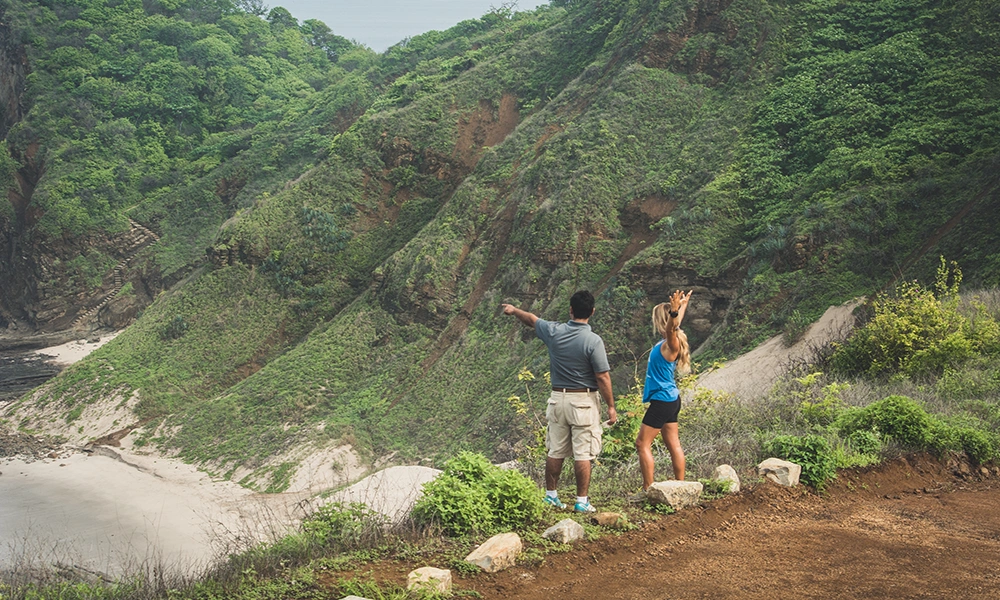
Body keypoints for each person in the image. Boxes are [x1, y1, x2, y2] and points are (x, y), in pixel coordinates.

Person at [501, 290, 617, 513]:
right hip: (583, 400)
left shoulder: (554, 332)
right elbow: (602, 376)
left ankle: (551, 495)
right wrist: (611, 405)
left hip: (557, 400)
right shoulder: (593, 341)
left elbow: (532, 319)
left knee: (555, 450)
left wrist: (514, 310)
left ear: (570, 310)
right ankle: (581, 501)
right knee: (583, 452)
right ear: (592, 312)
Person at [634, 289, 692, 497]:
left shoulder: (670, 343)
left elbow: (671, 329)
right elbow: (674, 327)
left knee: (642, 444)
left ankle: (648, 489)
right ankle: (681, 486)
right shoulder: (670, 341)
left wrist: (675, 312)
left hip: (662, 400)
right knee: (673, 443)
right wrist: (683, 306)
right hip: (671, 399)